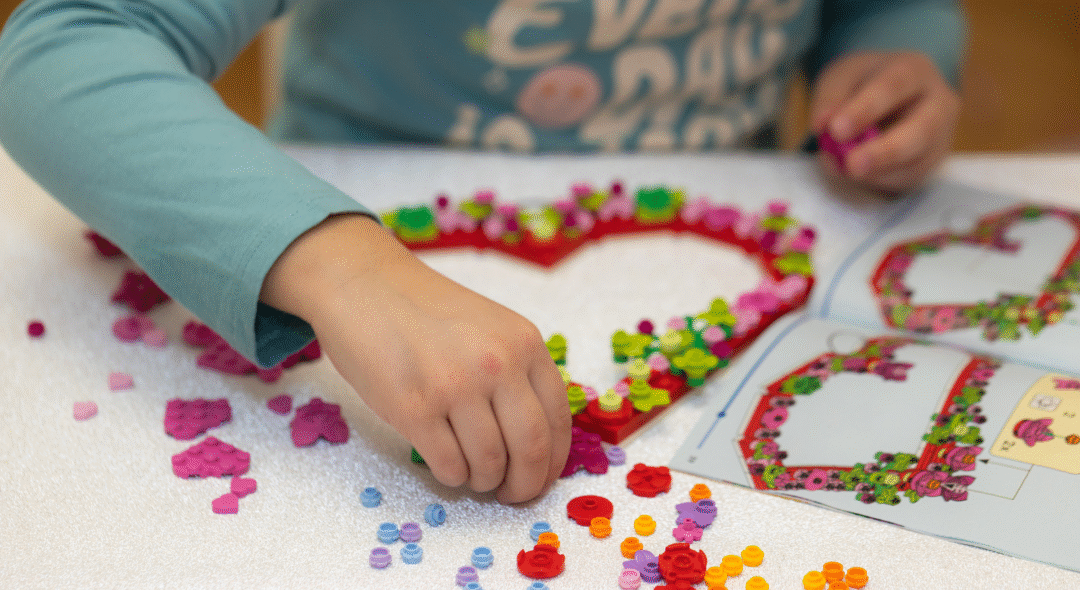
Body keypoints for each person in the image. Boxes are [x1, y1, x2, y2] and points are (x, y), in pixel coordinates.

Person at [0, 0, 965, 504]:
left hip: (733, 255)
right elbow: (65, 47)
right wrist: (345, 268)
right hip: (365, 237)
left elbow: (883, 6)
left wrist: (891, 51)